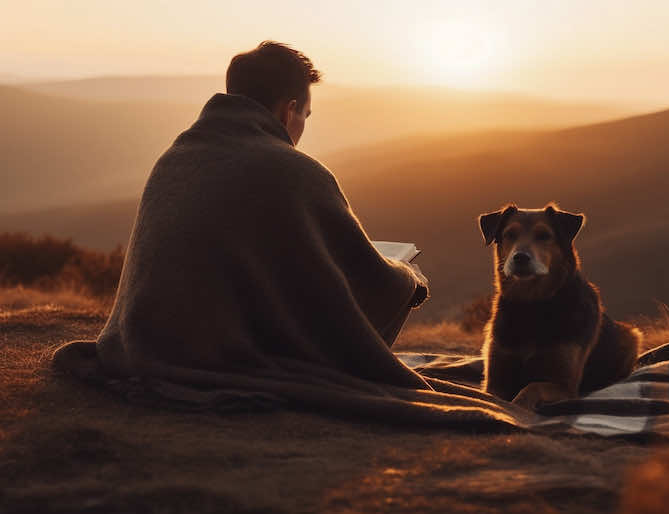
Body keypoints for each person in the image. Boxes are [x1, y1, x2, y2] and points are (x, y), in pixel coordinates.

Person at [85, 41, 431, 391]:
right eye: (305, 117)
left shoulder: (174, 159)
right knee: (402, 278)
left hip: (145, 343)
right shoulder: (297, 172)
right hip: (226, 353)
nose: (301, 129)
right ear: (287, 111)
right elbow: (370, 282)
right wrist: (407, 277)